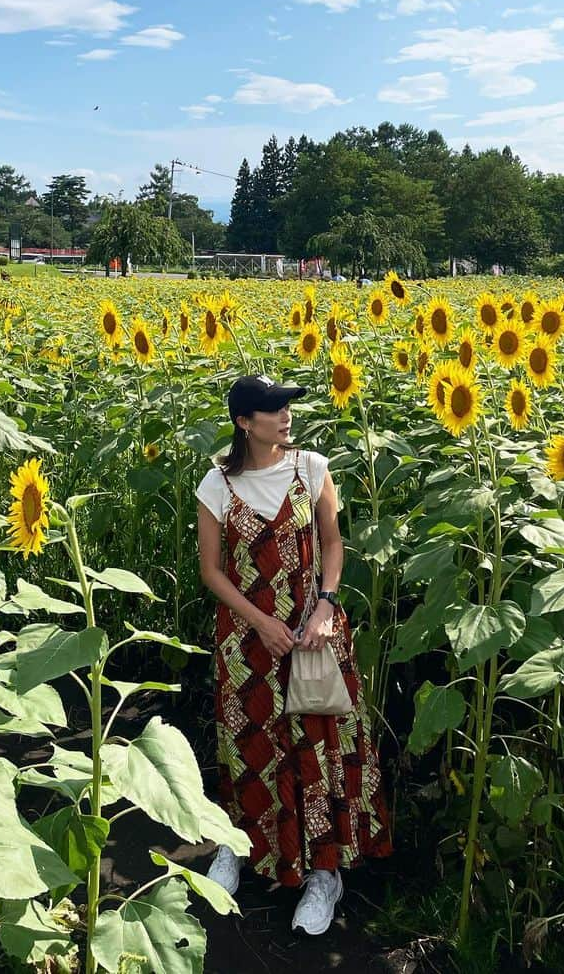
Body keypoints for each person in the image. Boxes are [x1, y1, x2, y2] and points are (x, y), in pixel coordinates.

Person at [195, 374, 392, 936]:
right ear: (244, 422)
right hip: (247, 643)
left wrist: (326, 607)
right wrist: (260, 623)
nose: (285, 417)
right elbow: (212, 569)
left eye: (286, 408)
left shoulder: (312, 468)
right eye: (272, 409)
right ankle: (240, 847)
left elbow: (333, 543)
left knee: (317, 748)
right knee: (249, 744)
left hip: (311, 633)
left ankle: (324, 874)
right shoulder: (217, 485)